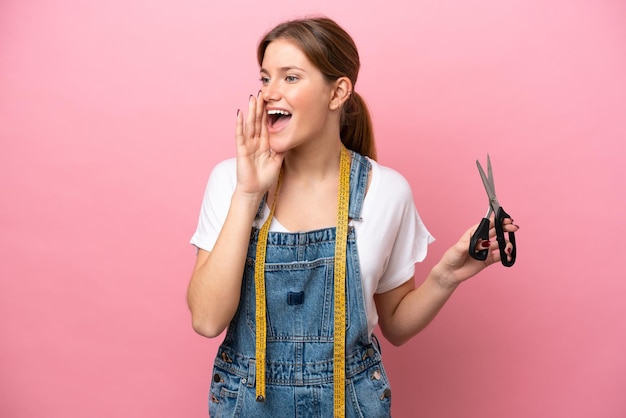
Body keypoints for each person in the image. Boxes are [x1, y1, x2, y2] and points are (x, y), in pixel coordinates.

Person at [187, 15, 518, 417]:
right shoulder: (230, 181)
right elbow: (206, 320)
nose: (270, 93)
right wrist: (248, 192)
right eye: (264, 78)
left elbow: (395, 324)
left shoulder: (388, 191)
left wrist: (446, 275)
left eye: (290, 78)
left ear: (338, 91)